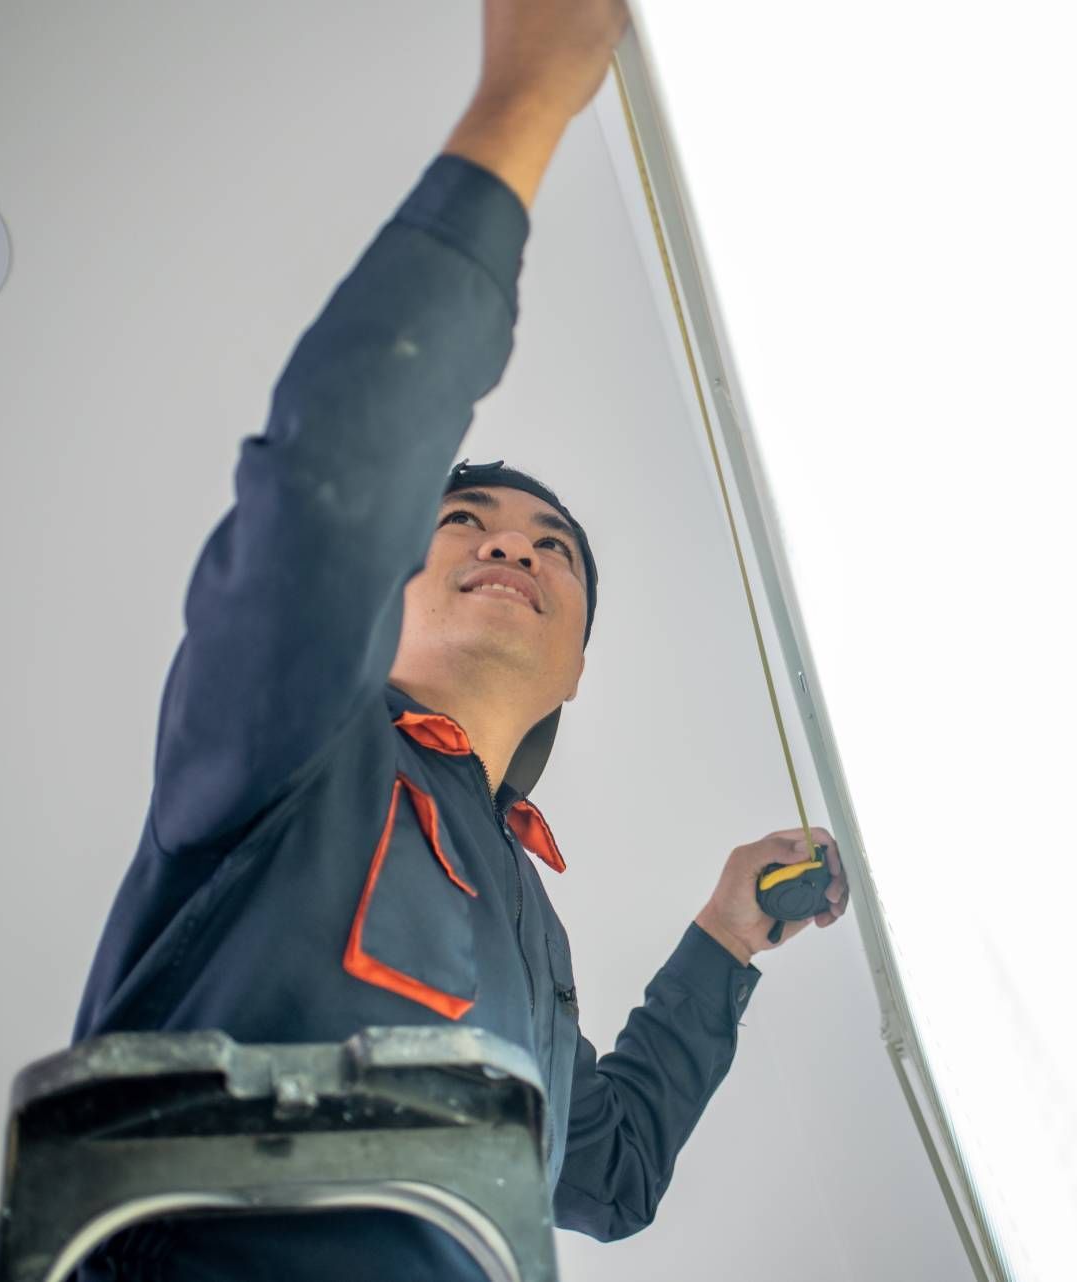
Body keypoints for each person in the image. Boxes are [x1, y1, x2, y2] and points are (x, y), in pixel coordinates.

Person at [70, 2, 848, 1275]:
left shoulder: (529, 928)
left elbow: (608, 1171)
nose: (514, 547)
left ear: (578, 664)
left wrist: (724, 932)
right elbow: (332, 476)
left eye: (554, 549)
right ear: (390, 578)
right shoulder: (298, 737)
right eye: (468, 521)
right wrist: (525, 103)